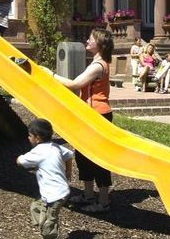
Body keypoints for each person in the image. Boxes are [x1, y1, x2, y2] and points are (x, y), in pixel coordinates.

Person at [52, 29, 114, 213]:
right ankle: (88, 195)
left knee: (98, 158)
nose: (87, 40)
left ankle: (103, 202)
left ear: (100, 43)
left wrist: (51, 75)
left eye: (91, 38)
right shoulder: (95, 62)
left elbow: (75, 84)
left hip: (98, 114)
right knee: (82, 155)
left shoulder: (98, 65)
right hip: (87, 113)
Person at [16, 119, 73, 239]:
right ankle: (45, 222)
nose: (28, 138)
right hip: (59, 191)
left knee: (48, 228)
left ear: (37, 138)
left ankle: (49, 231)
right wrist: (68, 170)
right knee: (35, 207)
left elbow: (21, 161)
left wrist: (18, 158)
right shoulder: (55, 147)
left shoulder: (38, 152)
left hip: (55, 195)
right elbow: (69, 155)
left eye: (30, 135)